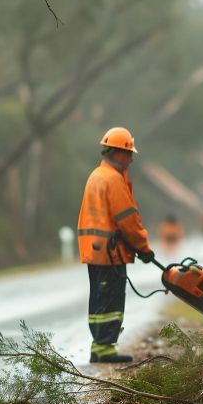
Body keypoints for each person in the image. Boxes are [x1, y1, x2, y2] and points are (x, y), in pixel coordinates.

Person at [77, 127, 155, 363]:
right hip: (110, 253)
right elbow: (128, 220)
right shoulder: (112, 179)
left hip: (96, 251)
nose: (131, 159)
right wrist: (143, 247)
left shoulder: (96, 175)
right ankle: (105, 348)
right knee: (110, 300)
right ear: (119, 152)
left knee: (100, 299)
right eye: (129, 153)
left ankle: (99, 346)